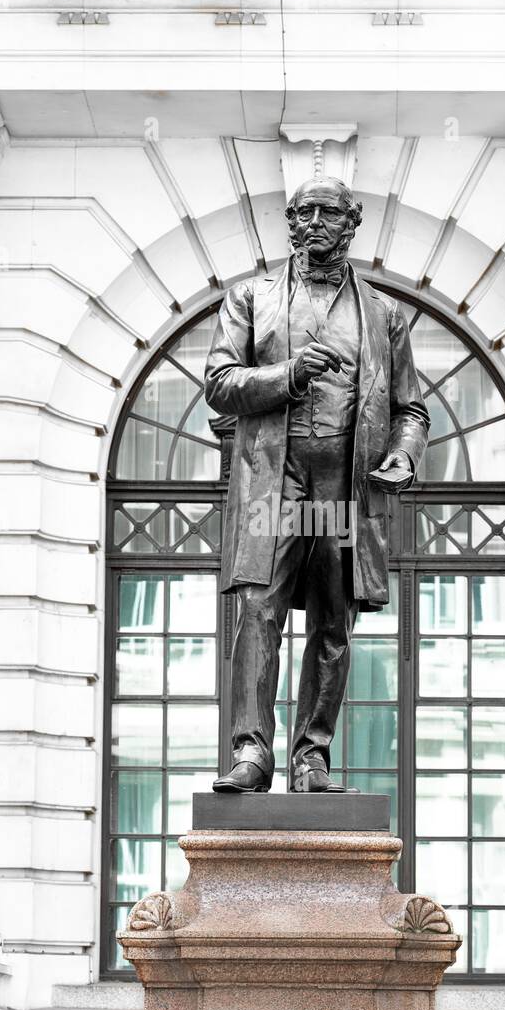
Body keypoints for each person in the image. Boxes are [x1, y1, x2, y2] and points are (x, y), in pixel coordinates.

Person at [204, 175, 429, 793]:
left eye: (327, 213)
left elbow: (411, 409)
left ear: (352, 222)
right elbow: (220, 383)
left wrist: (405, 457)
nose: (311, 223)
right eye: (301, 213)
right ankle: (252, 751)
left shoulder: (384, 316)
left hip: (342, 485)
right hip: (274, 482)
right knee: (258, 608)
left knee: (333, 620)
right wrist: (288, 374)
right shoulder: (251, 298)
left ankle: (312, 756)